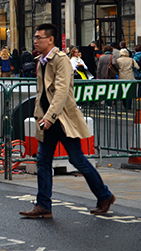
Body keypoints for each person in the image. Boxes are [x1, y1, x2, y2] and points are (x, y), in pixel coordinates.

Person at [20, 23, 115, 219]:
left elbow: (62, 91)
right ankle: (43, 205)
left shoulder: (60, 59)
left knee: (77, 159)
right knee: (43, 161)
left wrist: (49, 117)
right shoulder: (42, 60)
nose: (35, 41)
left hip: (60, 119)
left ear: (51, 39)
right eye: (35, 38)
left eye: (39, 37)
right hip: (47, 119)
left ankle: (104, 195)